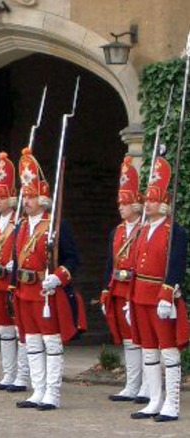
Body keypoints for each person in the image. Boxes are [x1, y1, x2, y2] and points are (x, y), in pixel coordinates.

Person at [12, 148, 84, 411]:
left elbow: (73, 259)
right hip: (25, 290)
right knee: (31, 341)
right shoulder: (20, 226)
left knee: (51, 342)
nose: (26, 201)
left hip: (46, 292)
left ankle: (52, 392)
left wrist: (58, 277)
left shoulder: (55, 225)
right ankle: (38, 389)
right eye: (25, 196)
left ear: (42, 199)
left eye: (31, 197)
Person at [129, 156, 188, 422]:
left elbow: (176, 264)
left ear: (163, 203)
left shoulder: (174, 231)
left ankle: (172, 403)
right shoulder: (142, 230)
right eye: (147, 199)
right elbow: (134, 267)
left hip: (160, 298)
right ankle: (154, 400)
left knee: (168, 350)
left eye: (153, 200)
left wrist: (167, 294)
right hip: (140, 296)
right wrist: (130, 299)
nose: (148, 203)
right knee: (148, 350)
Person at [100, 155, 149, 403]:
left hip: (137, 289)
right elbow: (111, 263)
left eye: (125, 203)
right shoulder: (117, 231)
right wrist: (105, 290)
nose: (120, 207)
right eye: (120, 203)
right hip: (119, 288)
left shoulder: (144, 229)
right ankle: (132, 384)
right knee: (129, 340)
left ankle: (147, 387)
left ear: (136, 205)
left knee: (143, 339)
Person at [0, 152, 29, 392]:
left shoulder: (19, 223)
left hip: (13, 282)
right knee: (4, 331)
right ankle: (8, 373)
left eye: (3, 197)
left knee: (20, 330)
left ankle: (22, 376)